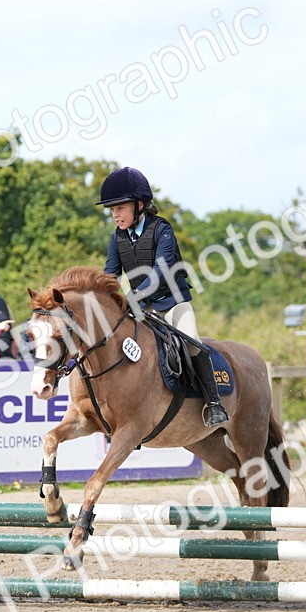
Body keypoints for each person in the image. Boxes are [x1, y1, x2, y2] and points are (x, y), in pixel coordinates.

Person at [96, 166, 228, 427]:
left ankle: (214, 404)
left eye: (120, 208)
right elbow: (110, 275)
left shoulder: (161, 229)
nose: (115, 215)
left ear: (140, 205)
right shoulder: (117, 237)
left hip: (173, 303)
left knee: (191, 343)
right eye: (112, 210)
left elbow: (161, 271)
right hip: (143, 308)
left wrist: (133, 296)